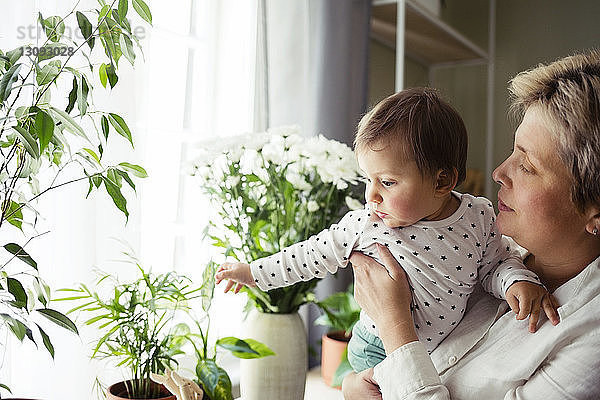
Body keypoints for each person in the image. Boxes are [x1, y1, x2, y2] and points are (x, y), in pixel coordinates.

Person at [215, 87, 555, 373]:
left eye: (388, 182)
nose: (371, 194)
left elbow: (495, 265)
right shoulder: (369, 222)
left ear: (442, 181)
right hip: (375, 347)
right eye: (368, 178)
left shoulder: (478, 217)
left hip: (440, 353)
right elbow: (310, 255)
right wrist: (252, 272)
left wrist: (517, 281)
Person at [342, 50, 600, 399]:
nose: (499, 173)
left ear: (594, 215)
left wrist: (394, 324)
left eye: (527, 166)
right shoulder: (483, 247)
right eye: (513, 152)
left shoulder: (590, 344)